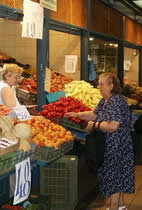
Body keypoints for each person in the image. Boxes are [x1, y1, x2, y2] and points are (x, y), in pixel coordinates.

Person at [64, 72, 134, 210]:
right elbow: (95, 114)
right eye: (99, 84)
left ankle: (114, 207)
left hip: (117, 145)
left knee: (114, 176)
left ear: (111, 85)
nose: (99, 86)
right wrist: (78, 115)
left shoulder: (116, 101)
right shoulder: (106, 100)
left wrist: (93, 125)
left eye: (102, 84)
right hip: (109, 144)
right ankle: (121, 206)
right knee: (117, 175)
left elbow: (113, 126)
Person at [0, 63, 23, 198]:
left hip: (2, 128)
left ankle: (13, 195)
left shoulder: (4, 87)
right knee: (14, 163)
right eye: (16, 77)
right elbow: (14, 110)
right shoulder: (5, 89)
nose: (17, 80)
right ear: (7, 76)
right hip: (5, 129)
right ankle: (14, 195)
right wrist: (30, 117)